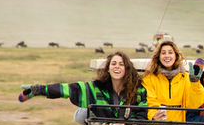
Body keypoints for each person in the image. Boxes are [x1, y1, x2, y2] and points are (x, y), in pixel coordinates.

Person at [18, 50, 146, 116]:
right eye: (113, 64)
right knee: (80, 116)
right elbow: (67, 89)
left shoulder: (138, 90)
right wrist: (38, 90)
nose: (117, 67)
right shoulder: (95, 89)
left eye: (121, 64)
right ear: (108, 68)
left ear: (127, 69)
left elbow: (144, 112)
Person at [140, 39, 204, 122]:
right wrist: (153, 115)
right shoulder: (149, 79)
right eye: (163, 53)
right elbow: (151, 102)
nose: (167, 56)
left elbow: (194, 104)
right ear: (158, 57)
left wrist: (195, 83)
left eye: (170, 52)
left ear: (176, 56)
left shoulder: (186, 78)